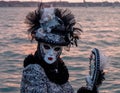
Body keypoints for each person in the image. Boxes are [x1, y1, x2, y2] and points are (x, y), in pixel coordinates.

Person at [20, 4, 105, 93]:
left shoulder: (57, 70)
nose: (51, 53)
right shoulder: (33, 71)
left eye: (56, 49)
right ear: (39, 45)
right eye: (46, 47)